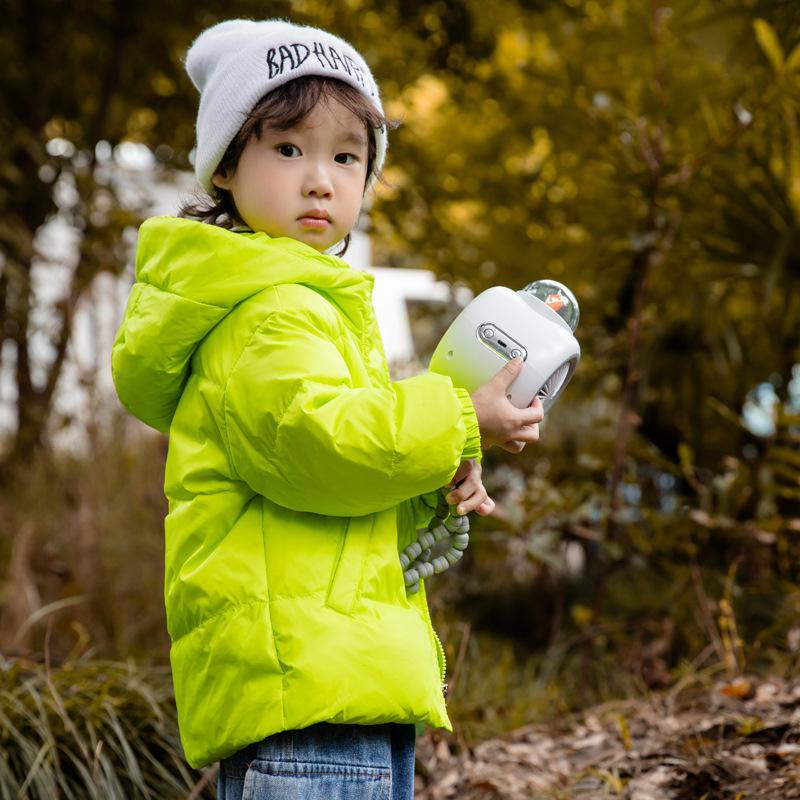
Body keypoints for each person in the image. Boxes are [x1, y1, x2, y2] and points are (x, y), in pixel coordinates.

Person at [111, 18, 544, 800]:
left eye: (347, 156)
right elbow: (313, 445)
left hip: (327, 678)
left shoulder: (303, 304)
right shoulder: (269, 312)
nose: (321, 179)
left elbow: (336, 501)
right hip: (310, 693)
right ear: (224, 169)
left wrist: (434, 478)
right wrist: (455, 416)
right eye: (288, 148)